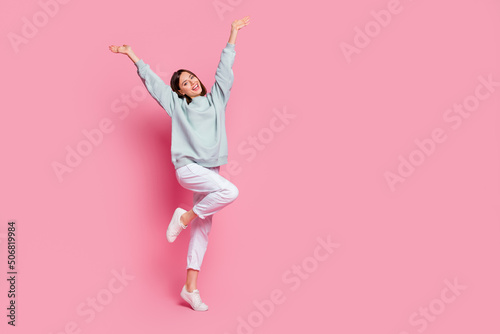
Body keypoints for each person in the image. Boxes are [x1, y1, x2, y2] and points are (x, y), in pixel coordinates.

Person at [108, 16, 250, 311]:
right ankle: (182, 218)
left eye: (192, 78)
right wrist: (131, 54)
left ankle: (190, 288)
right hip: (188, 169)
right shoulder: (177, 106)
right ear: (181, 92)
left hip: (211, 171)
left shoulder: (216, 100)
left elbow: (224, 71)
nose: (193, 82)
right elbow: (154, 85)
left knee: (204, 227)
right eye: (185, 83)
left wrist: (232, 35)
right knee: (229, 193)